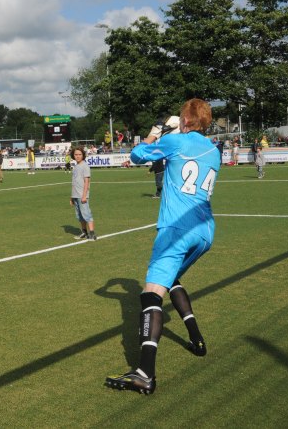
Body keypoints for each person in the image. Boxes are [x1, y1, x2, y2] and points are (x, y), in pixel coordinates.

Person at [105, 98, 220, 395]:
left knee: (151, 293)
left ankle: (144, 373)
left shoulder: (175, 141)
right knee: (171, 279)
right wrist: (176, 130)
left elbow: (136, 155)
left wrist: (157, 130)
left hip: (176, 229)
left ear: (183, 119)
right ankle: (196, 338)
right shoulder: (213, 150)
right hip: (204, 231)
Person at [70, 146, 96, 241]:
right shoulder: (76, 167)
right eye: (76, 154)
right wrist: (71, 197)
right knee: (79, 216)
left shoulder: (85, 166)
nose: (77, 156)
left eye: (79, 154)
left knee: (86, 214)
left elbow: (87, 182)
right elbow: (74, 183)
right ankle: (84, 232)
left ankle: (92, 234)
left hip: (82, 195)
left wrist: (84, 195)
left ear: (83, 155)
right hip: (75, 195)